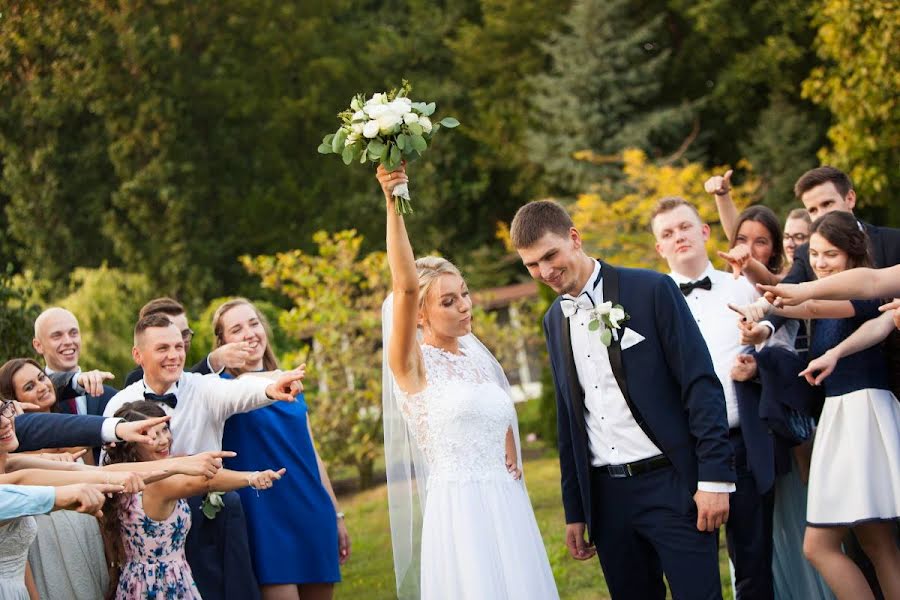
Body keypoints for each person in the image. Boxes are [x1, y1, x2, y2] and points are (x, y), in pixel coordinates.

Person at [511, 199, 734, 599]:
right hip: (608, 499)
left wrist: (714, 478)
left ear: (574, 238)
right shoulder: (553, 321)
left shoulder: (651, 289)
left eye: (550, 255)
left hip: (672, 485)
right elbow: (569, 420)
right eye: (531, 265)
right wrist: (576, 510)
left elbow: (700, 385)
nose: (544, 271)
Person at [380, 165, 558, 599]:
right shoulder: (412, 365)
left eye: (464, 293)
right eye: (448, 300)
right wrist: (393, 201)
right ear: (419, 315)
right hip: (461, 513)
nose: (465, 306)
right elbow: (404, 287)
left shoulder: (477, 359)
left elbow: (494, 416)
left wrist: (510, 450)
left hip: (506, 503)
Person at [735, 211, 900, 599]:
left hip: (858, 416)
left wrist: (768, 307)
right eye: (816, 254)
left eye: (832, 255)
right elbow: (799, 304)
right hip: (845, 414)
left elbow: (810, 305)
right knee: (878, 544)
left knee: (819, 546)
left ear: (853, 255)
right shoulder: (837, 289)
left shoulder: (862, 293)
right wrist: (762, 315)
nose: (821, 262)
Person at [104, 313, 305, 600]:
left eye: (178, 346)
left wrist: (270, 388)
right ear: (138, 354)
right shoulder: (119, 404)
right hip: (148, 527)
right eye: (163, 348)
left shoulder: (202, 386)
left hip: (208, 514)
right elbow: (107, 468)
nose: (174, 355)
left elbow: (240, 391)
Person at [650, 197, 776, 599]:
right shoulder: (650, 301)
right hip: (684, 451)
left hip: (741, 441)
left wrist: (759, 359)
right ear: (659, 248)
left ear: (704, 231)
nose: (678, 237)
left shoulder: (741, 286)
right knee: (692, 568)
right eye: (667, 233)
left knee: (754, 562)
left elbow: (779, 339)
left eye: (685, 227)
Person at [215, 298, 349, 600]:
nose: (249, 333)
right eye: (236, 329)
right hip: (263, 518)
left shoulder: (292, 384)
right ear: (222, 342)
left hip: (311, 509)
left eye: (254, 323)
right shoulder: (219, 389)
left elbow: (313, 455)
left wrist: (336, 514)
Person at [103, 401, 285, 600]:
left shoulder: (125, 478)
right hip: (162, 586)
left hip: (134, 582)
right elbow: (204, 483)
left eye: (165, 430)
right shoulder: (158, 484)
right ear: (131, 443)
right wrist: (250, 478)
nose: (164, 440)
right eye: (152, 436)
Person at [0, 358, 111, 599]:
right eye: (29, 387)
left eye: (41, 378)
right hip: (48, 539)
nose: (41, 387)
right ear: (14, 400)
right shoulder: (15, 452)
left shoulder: (78, 431)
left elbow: (98, 481)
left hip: (88, 526)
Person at [124, 297, 255, 386]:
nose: (179, 342)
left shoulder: (193, 376)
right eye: (169, 336)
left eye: (185, 334)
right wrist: (214, 360)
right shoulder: (137, 380)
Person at [32, 307, 118, 416]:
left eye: (73, 333)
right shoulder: (33, 398)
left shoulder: (113, 397)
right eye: (57, 336)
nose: (68, 341)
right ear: (38, 345)